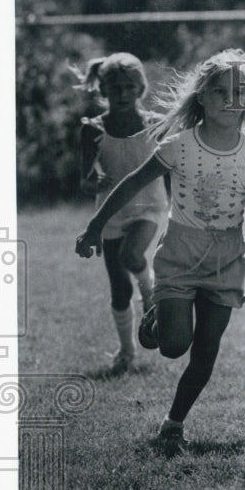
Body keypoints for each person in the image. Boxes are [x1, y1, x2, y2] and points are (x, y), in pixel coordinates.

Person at [75, 49, 245, 455]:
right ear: (201, 97)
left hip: (227, 259)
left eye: (240, 93)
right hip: (180, 252)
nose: (231, 100)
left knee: (205, 353)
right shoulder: (179, 145)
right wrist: (94, 227)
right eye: (220, 91)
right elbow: (132, 184)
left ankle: (173, 423)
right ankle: (157, 316)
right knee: (174, 345)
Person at [71, 52, 166, 376]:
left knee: (132, 254)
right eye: (115, 88)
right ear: (103, 90)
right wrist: (90, 181)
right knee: (119, 290)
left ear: (140, 89)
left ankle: (150, 292)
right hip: (110, 212)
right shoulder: (93, 129)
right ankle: (127, 352)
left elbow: (171, 167)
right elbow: (84, 181)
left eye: (129, 87)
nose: (122, 94)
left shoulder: (155, 124)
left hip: (148, 206)